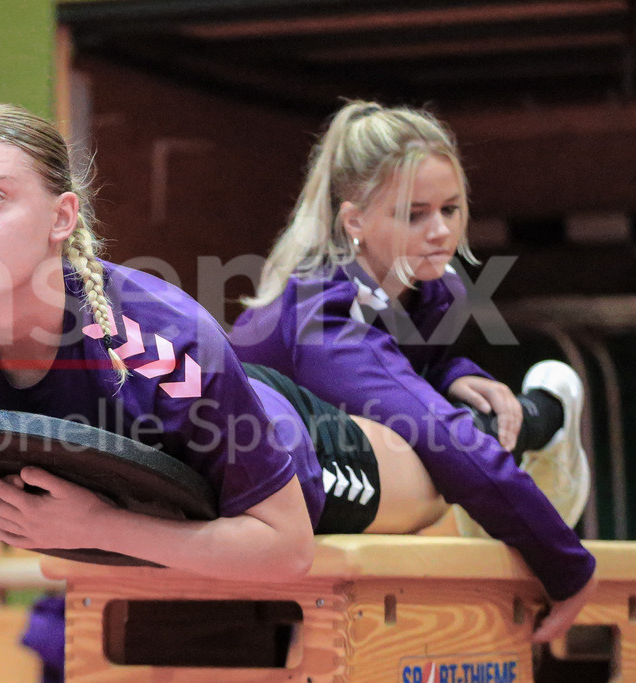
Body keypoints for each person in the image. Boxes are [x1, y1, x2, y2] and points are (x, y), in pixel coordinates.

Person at [0, 104, 459, 679]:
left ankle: (526, 409)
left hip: (299, 452)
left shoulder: (164, 339)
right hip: (198, 448)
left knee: (444, 471)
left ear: (61, 217)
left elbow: (286, 548)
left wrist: (95, 527)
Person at [230, 100, 597, 644]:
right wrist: (569, 568)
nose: (440, 231)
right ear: (354, 221)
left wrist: (451, 372)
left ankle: (544, 421)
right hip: (264, 487)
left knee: (451, 433)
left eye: (451, 209)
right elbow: (436, 431)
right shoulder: (326, 316)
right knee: (447, 447)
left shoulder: (436, 289)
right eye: (414, 214)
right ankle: (549, 419)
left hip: (326, 476)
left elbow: (403, 370)